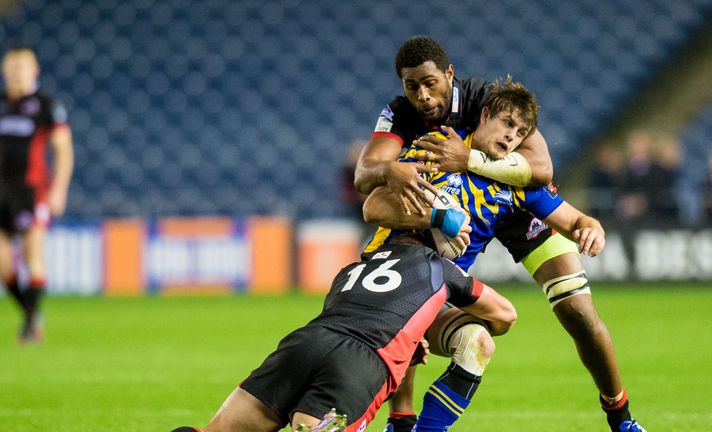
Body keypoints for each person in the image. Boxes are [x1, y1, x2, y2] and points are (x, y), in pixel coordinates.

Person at [355, 36, 645, 432]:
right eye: (413, 86)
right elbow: (366, 183)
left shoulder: (487, 101)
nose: (423, 96)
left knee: (576, 308)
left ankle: (620, 416)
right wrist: (395, 173)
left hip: (508, 196)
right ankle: (401, 421)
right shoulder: (416, 131)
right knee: (415, 304)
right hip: (439, 214)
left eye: (431, 83)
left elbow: (543, 171)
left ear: (450, 76)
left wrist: (588, 225)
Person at [171, 230, 517, 432]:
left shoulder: (352, 269)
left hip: (305, 343)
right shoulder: (440, 268)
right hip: (359, 364)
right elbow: (505, 315)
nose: (463, 237)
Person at [0, 46, 74, 343]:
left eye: (22, 67)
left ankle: (30, 325)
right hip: (1, 193)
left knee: (34, 255)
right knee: (3, 264)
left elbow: (63, 149)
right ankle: (31, 314)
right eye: (12, 67)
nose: (16, 72)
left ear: (34, 71)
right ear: (4, 71)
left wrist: (59, 189)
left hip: (33, 191)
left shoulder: (46, 106)